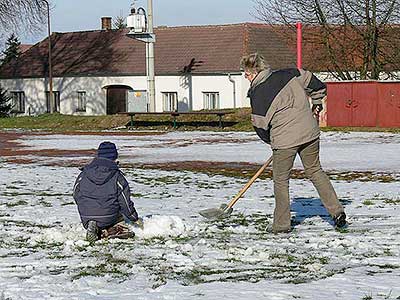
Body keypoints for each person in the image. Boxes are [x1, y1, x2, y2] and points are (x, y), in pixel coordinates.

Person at [240, 53, 346, 233]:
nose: (245, 77)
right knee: (315, 171)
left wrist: (272, 141)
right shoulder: (290, 73)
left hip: (284, 141)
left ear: (255, 72)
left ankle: (281, 225)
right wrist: (317, 103)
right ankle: (337, 212)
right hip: (310, 133)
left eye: (246, 73)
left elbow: (260, 127)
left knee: (281, 180)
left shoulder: (257, 93)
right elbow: (317, 85)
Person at [73, 141, 140, 243]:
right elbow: (124, 201)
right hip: (109, 216)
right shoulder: (117, 176)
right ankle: (115, 230)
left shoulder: (84, 173)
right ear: (114, 156)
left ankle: (96, 227)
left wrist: (86, 206)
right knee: (120, 216)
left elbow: (75, 194)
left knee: (102, 210)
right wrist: (134, 217)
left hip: (86, 216)